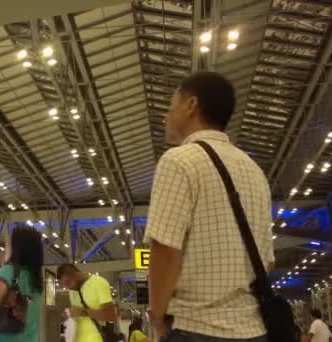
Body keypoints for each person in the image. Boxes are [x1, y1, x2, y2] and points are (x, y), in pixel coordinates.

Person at [143, 72, 275, 341]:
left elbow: (165, 249)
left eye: (170, 107)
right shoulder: (253, 170)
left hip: (196, 327)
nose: (165, 116)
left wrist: (156, 316)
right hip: (254, 329)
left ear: (191, 106)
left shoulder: (178, 160)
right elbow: (268, 260)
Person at [56, 264, 118, 342]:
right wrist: (68, 316)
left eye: (68, 283)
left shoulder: (99, 283)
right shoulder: (72, 291)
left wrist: (82, 311)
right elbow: (76, 315)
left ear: (75, 275)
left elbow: (111, 315)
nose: (69, 288)